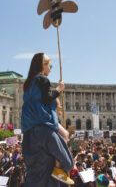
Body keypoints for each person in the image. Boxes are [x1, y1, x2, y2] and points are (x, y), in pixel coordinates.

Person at [21, 53, 74, 185]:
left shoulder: (29, 83)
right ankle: (57, 169)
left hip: (30, 124)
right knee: (64, 136)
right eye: (49, 65)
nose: (50, 68)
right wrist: (59, 89)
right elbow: (46, 97)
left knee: (64, 134)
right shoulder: (42, 79)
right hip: (42, 120)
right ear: (42, 65)